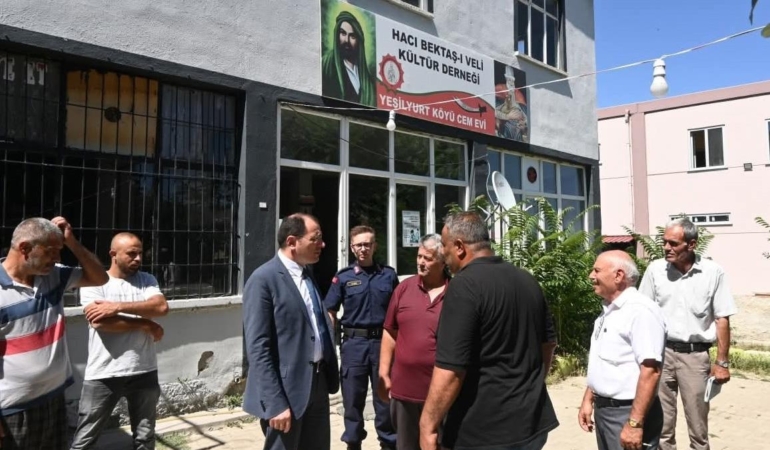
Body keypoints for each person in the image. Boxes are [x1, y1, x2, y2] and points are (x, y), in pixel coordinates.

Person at [420, 211, 559, 450]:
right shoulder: (526, 280)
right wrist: (529, 387)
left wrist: (427, 425)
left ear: (460, 247)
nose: (442, 253)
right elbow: (548, 344)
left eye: (444, 245)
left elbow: (451, 368)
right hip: (531, 425)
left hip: (484, 432)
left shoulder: (463, 286)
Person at [0, 217, 108, 450]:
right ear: (25, 249)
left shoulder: (54, 277)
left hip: (54, 400)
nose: (58, 258)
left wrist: (72, 243)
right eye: (51, 251)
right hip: (13, 412)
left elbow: (101, 277)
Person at [242, 213, 339, 450]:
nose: (322, 245)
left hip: (316, 383)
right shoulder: (263, 280)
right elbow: (258, 347)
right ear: (292, 241)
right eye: (315, 238)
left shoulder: (306, 274)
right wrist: (275, 402)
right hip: (286, 391)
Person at [638, 218, 737, 450]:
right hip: (661, 355)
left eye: (673, 243)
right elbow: (643, 313)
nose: (666, 248)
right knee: (661, 426)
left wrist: (722, 362)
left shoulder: (713, 273)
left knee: (698, 428)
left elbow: (722, 318)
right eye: (664, 242)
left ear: (691, 245)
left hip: (695, 358)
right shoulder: (655, 271)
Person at [70, 233, 169, 450]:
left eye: (140, 253)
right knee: (85, 438)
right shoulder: (95, 282)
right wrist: (145, 324)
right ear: (113, 255)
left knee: (144, 437)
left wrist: (116, 307)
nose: (138, 258)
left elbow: (161, 307)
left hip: (144, 369)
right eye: (131, 254)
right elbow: (100, 323)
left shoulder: (147, 280)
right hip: (104, 373)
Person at [579, 251, 666, 450]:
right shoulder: (609, 311)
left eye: (597, 270)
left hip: (628, 412)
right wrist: (589, 398)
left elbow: (651, 371)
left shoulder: (641, 311)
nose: (591, 276)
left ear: (618, 276)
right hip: (606, 411)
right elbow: (604, 361)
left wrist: (635, 423)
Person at [323, 225, 398, 450]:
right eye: (359, 245)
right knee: (353, 400)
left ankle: (389, 442)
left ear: (374, 246)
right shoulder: (343, 278)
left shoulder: (388, 275)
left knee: (385, 399)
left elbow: (399, 310)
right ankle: (353, 443)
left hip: (382, 344)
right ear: (352, 248)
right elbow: (330, 310)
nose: (363, 248)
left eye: (367, 244)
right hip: (354, 345)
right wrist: (329, 343)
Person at [378, 234, 450, 450]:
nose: (420, 262)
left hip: (441, 393)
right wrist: (383, 373)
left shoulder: (456, 292)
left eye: (427, 258)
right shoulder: (404, 288)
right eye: (419, 256)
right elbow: (390, 331)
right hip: (404, 391)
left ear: (443, 260)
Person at [321, 10, 376, 106]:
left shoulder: (367, 80)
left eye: (352, 36)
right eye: (343, 33)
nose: (347, 40)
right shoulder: (326, 65)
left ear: (359, 41)